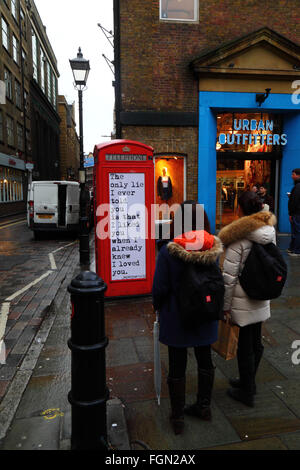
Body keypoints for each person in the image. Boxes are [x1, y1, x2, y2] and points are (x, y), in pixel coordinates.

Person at [152, 201, 223, 435]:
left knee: (177, 365)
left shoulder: (168, 252)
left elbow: (160, 288)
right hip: (205, 312)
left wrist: (157, 307)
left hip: (176, 316)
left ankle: (178, 416)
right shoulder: (211, 248)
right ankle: (204, 407)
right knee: (205, 360)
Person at [218, 191, 276, 407]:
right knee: (255, 341)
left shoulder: (238, 236)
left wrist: (225, 307)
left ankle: (247, 390)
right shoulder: (268, 230)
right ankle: (247, 381)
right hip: (261, 293)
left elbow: (229, 277)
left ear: (240, 209)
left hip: (243, 298)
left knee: (245, 346)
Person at [288, 168, 300, 256]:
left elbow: (295, 201)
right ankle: (293, 249)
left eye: (293, 174)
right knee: (295, 231)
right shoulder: (297, 186)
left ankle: (296, 251)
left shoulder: (298, 186)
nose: (292, 176)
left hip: (297, 213)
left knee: (297, 232)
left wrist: (291, 213)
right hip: (297, 213)